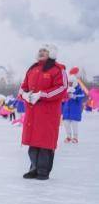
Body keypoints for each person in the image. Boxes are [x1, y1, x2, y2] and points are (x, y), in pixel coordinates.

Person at [19, 44, 67, 180]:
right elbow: (23, 87)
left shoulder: (58, 69)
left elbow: (62, 88)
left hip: (47, 114)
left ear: (51, 53)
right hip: (32, 113)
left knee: (45, 143)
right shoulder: (32, 68)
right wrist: (24, 95)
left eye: (44, 51)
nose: (41, 52)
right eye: (40, 50)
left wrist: (42, 94)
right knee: (33, 143)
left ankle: (43, 171)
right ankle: (33, 168)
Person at [62, 72, 85, 143]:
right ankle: (68, 137)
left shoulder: (78, 89)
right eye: (69, 83)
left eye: (71, 83)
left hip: (75, 110)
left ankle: (75, 137)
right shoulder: (65, 89)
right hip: (66, 110)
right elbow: (62, 99)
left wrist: (74, 96)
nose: (70, 84)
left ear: (74, 82)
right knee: (66, 124)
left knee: (74, 125)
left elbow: (82, 96)